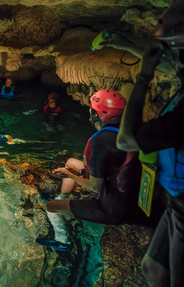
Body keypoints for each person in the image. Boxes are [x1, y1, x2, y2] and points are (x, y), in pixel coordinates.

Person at [116, 0, 184, 287]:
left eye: (171, 48)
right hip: (179, 200)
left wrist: (143, 76)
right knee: (153, 269)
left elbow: (126, 140)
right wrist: (119, 43)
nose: (168, 55)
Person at [36, 89, 144, 251]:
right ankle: (62, 196)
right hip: (126, 192)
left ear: (100, 115)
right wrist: (75, 171)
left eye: (93, 109)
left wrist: (68, 173)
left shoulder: (102, 139)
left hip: (112, 207)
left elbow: (94, 187)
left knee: (51, 206)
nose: (90, 111)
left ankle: (62, 241)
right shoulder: (124, 132)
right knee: (72, 162)